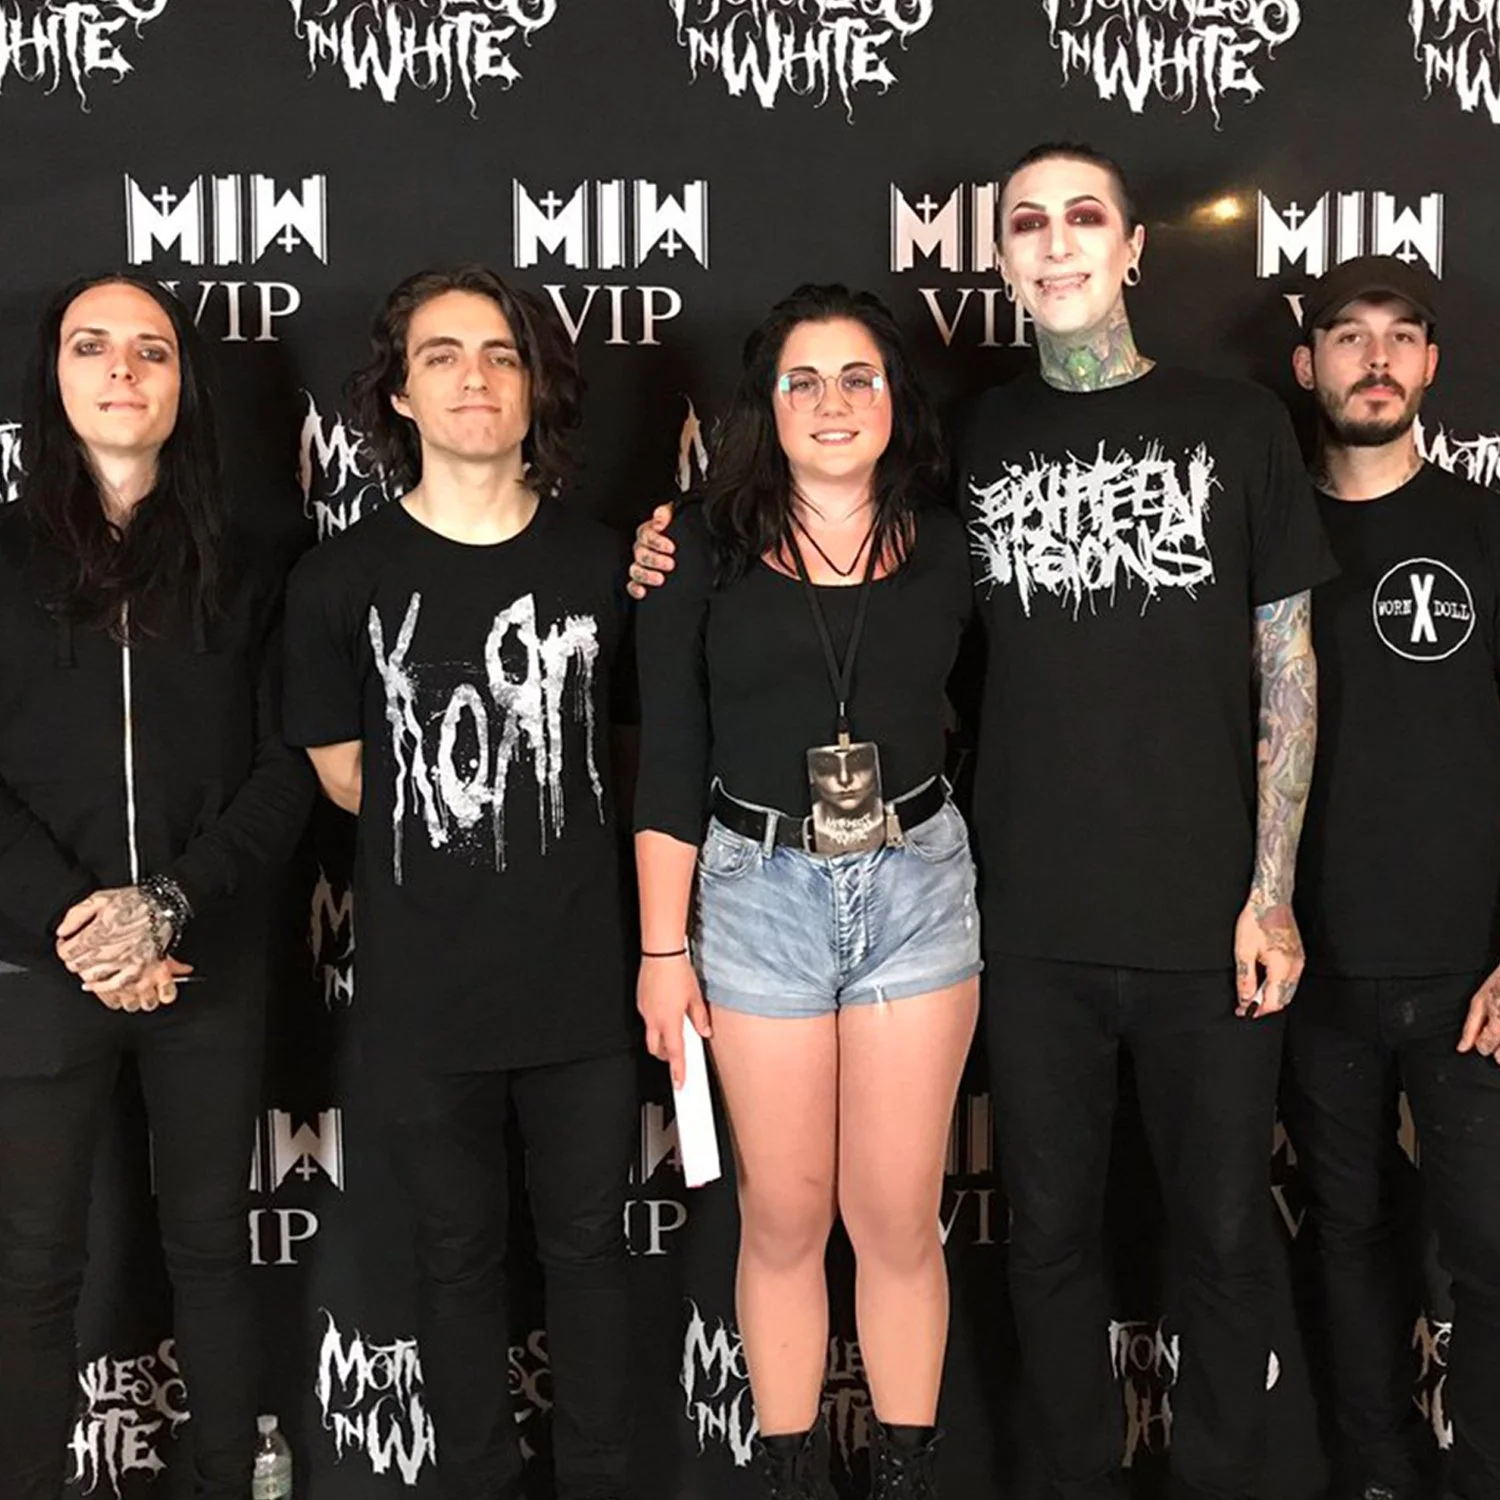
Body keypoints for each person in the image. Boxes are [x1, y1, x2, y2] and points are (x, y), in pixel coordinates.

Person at [630, 142, 1335, 1500]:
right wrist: (666, 547)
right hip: (957, 910)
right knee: (972, 1230)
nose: (1058, 243)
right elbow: (690, 728)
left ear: (1134, 247)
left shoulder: (1216, 429)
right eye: (1029, 222)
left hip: (1094, 905)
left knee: (1196, 1232)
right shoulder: (955, 452)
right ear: (1000, 259)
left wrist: (1272, 890)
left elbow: (1288, 665)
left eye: (1086, 217)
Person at [282, 265, 636, 1500]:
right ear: (400, 392)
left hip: (586, 991)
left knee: (591, 1257)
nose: (474, 378)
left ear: (536, 387)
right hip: (425, 995)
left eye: (500, 354)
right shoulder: (339, 581)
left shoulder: (610, 568)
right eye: (441, 355)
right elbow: (344, 777)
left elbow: (635, 759)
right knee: (453, 1260)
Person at [634, 284, 979, 1500]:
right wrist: (661, 951)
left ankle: (904, 1474)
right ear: (766, 405)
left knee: (896, 1217)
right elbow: (669, 753)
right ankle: (786, 1476)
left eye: (858, 377)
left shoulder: (951, 543)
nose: (833, 402)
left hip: (917, 883)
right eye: (803, 380)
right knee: (783, 1217)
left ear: (896, 398)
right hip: (755, 892)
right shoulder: (694, 546)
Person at [0, 274, 313, 1500]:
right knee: (33, 1269)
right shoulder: (2, 555)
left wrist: (170, 907)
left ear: (187, 384)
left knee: (213, 1256)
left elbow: (289, 768)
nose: (122, 370)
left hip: (207, 961)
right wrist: (79, 927)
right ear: (53, 376)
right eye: (93, 347)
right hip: (39, 969)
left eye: (151, 350)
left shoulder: (258, 558)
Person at [1283, 255, 1500, 1500]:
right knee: (1348, 1241)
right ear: (1305, 363)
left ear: (1430, 366)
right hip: (1311, 967)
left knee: (1489, 1248)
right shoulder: (1269, 533)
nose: (1376, 358)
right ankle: (1375, 1471)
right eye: (1349, 336)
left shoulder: (1482, 526)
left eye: (1401, 336)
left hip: (1470, 976)